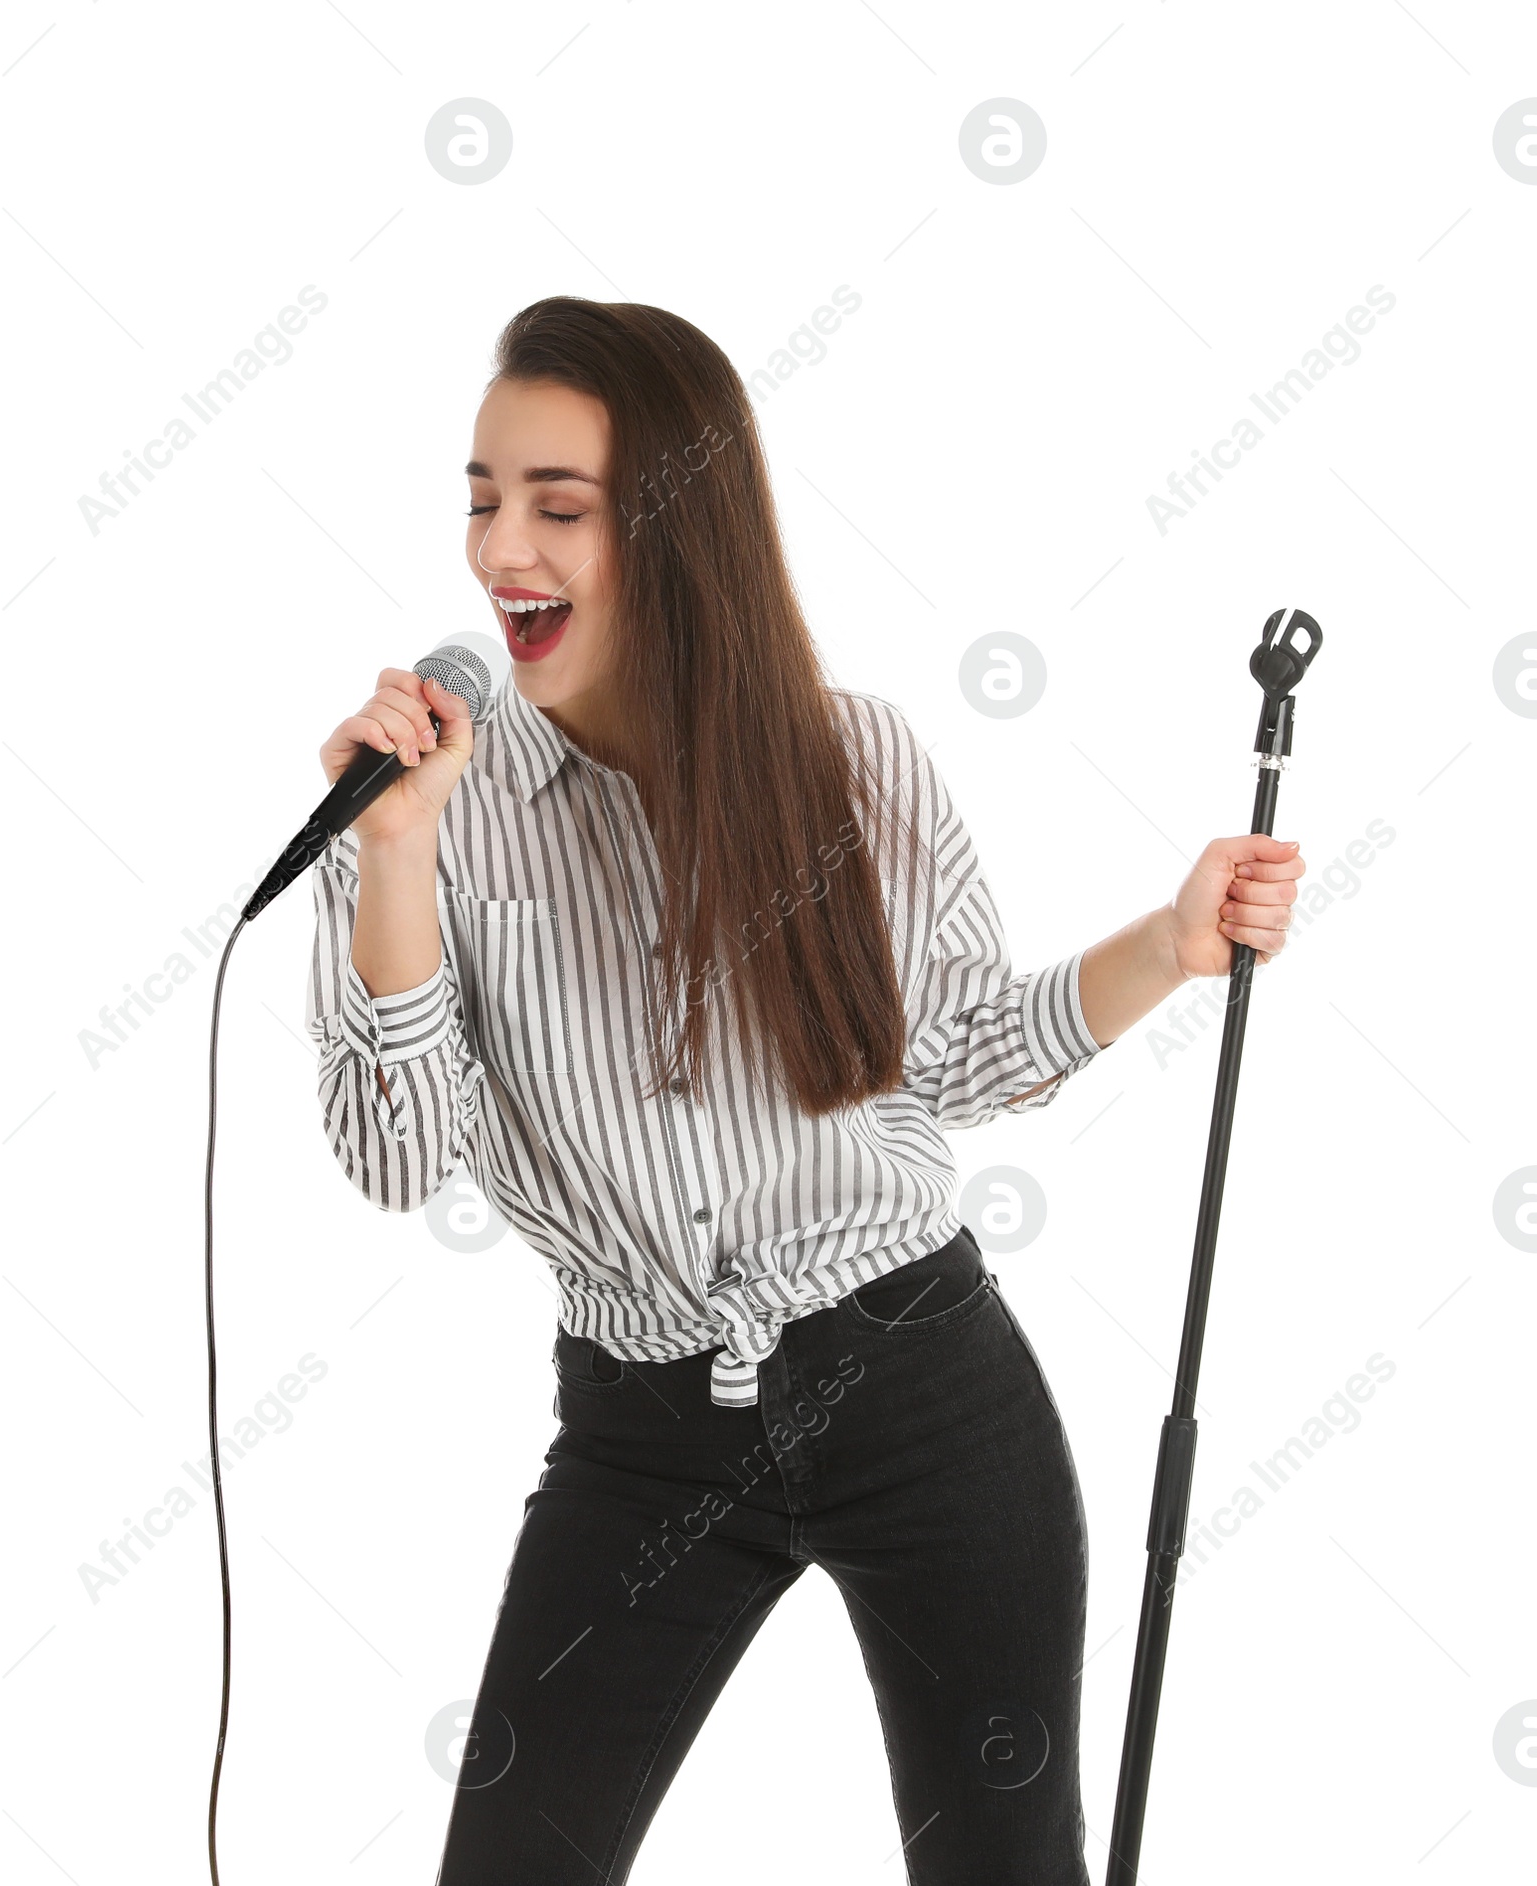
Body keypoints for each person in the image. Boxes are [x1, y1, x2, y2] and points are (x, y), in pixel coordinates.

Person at [305, 297, 1302, 1885]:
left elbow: (966, 1052)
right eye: (484, 495)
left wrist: (1173, 945)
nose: (505, 548)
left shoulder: (855, 762)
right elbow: (389, 1147)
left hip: (925, 1392)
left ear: (679, 523)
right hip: (641, 1432)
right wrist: (398, 854)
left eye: (560, 506)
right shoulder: (430, 811)